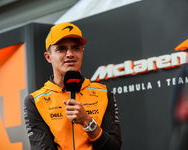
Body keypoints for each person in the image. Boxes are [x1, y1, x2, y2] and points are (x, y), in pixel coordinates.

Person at [24, 22, 122, 150]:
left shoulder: (103, 93)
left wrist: (87, 122)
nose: (70, 54)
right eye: (61, 49)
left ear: (82, 52)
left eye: (75, 48)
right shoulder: (35, 101)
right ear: (48, 57)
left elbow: (114, 147)